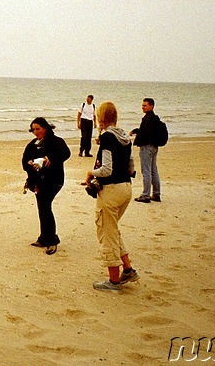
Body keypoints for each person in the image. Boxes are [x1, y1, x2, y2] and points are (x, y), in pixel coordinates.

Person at [84, 101, 139, 291]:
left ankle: (114, 280)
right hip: (126, 188)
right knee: (113, 229)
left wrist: (91, 173)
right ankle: (128, 269)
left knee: (106, 232)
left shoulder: (107, 137)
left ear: (101, 117)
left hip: (112, 190)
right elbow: (131, 166)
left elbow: (106, 169)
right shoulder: (124, 136)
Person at [22, 117, 71, 255]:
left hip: (54, 180)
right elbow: (25, 161)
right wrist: (30, 164)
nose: (36, 132)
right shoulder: (32, 144)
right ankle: (44, 238)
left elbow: (66, 153)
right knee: (42, 208)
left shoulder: (57, 142)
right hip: (38, 181)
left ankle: (52, 240)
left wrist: (50, 159)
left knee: (45, 206)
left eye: (38, 129)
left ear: (46, 128)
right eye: (33, 130)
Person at [130, 98, 161, 203]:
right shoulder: (155, 118)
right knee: (153, 170)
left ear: (151, 106)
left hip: (147, 147)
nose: (143, 107)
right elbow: (148, 131)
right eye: (142, 105)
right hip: (154, 146)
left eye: (145, 105)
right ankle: (156, 194)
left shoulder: (148, 118)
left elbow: (146, 132)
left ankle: (146, 195)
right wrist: (136, 131)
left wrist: (138, 133)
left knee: (146, 171)